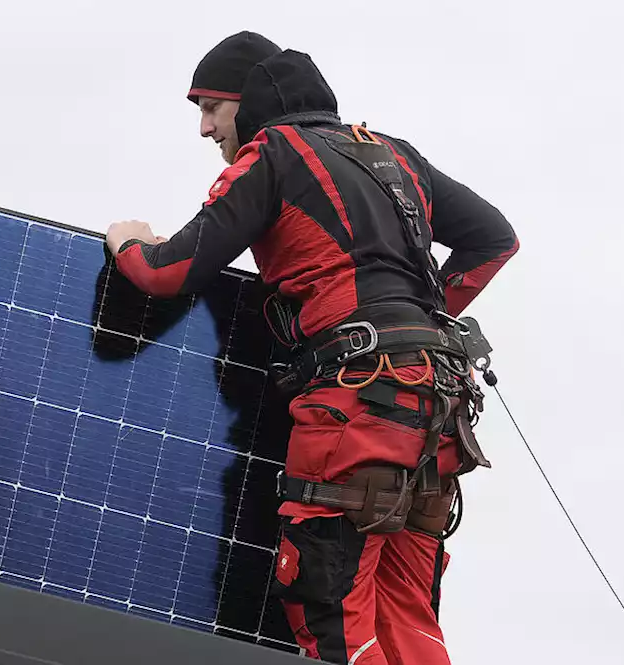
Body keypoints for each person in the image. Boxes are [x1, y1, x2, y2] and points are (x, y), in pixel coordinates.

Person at [104, 31, 519, 665]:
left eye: (211, 106)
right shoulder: (391, 152)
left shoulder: (272, 155)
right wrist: (418, 319)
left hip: (354, 404)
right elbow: (495, 240)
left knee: (330, 609)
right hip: (438, 406)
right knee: (407, 611)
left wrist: (128, 242)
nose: (205, 128)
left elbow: (169, 274)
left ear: (252, 100)